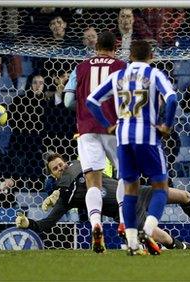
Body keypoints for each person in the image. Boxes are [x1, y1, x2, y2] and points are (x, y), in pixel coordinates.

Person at [15, 153, 190, 250]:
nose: (60, 169)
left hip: (137, 191)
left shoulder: (82, 164)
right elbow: (47, 224)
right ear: (52, 176)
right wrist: (29, 224)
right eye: (55, 169)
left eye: (61, 165)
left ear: (67, 163)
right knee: (162, 237)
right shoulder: (66, 198)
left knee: (184, 196)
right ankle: (189, 249)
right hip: (125, 213)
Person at [87, 40, 178, 256]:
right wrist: (166, 125)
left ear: (130, 57)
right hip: (147, 137)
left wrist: (108, 124)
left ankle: (132, 243)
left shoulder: (118, 75)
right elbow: (172, 99)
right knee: (161, 187)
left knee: (129, 189)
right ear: (151, 56)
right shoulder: (154, 74)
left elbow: (92, 101)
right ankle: (147, 230)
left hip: (123, 138)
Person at [63, 31, 127, 254]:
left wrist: (83, 111)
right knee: (126, 176)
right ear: (115, 48)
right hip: (115, 128)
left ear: (96, 47)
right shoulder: (122, 66)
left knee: (93, 182)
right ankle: (123, 221)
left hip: (87, 130)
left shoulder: (80, 67)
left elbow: (68, 100)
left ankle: (96, 224)